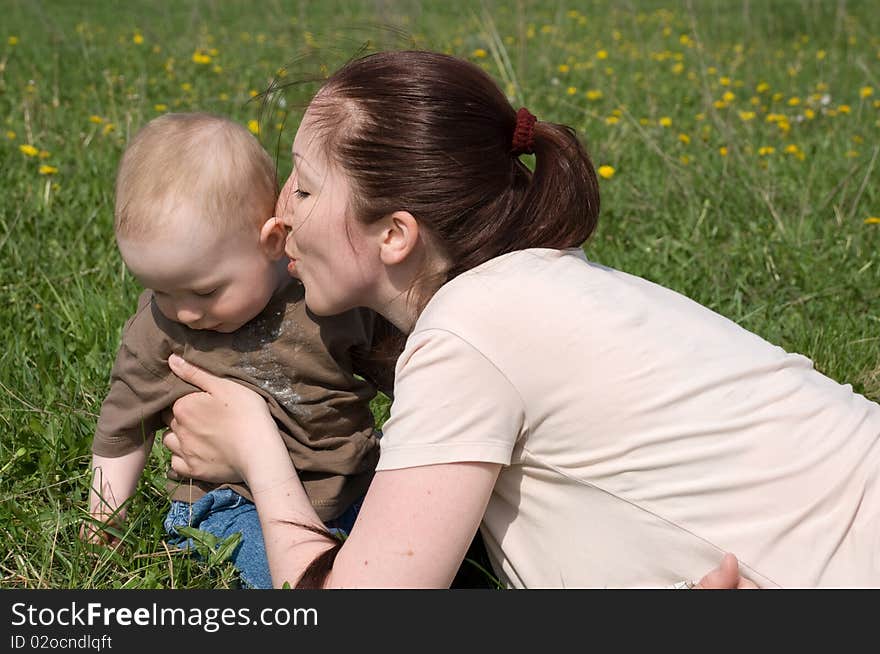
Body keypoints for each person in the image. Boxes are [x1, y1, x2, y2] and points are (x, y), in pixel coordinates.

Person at [160, 51, 880, 588]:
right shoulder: (534, 283)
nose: (280, 212)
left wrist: (260, 447)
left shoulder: (469, 329)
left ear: (395, 236)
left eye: (307, 188)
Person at [81, 112, 394, 589]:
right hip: (228, 502)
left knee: (421, 556)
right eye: (161, 292)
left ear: (270, 241)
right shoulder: (160, 331)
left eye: (204, 292)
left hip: (352, 483)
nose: (183, 313)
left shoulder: (326, 295)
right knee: (277, 578)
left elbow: (399, 369)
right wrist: (104, 521)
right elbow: (124, 424)